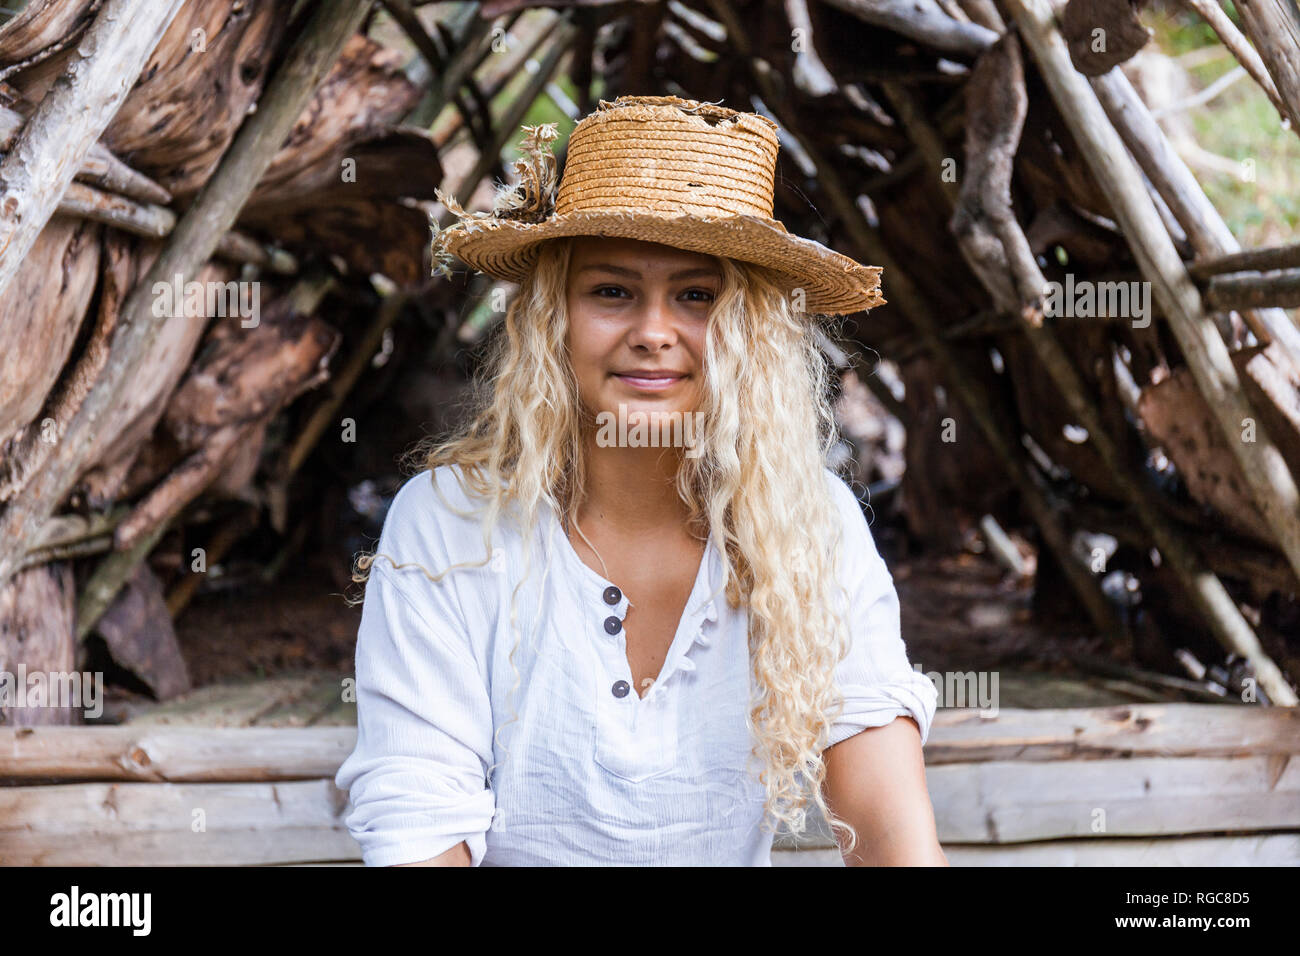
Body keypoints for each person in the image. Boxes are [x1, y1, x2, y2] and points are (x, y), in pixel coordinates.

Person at [334, 95, 944, 866]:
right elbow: (417, 815)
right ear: (552, 316)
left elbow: (887, 821)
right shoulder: (450, 524)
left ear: (749, 327)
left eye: (697, 296)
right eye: (612, 292)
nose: (654, 331)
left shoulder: (809, 523)